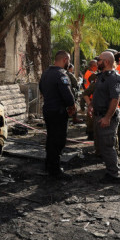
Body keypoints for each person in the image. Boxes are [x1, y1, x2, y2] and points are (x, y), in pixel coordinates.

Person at [39, 51, 77, 179]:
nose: (69, 63)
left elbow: (41, 89)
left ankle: (48, 165)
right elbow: (67, 95)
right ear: (65, 59)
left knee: (51, 138)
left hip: (48, 109)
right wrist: (72, 106)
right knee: (58, 140)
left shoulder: (46, 73)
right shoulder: (61, 75)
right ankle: (55, 170)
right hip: (58, 112)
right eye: (69, 60)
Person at [88, 51, 120, 183]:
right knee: (104, 146)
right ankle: (113, 169)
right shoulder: (102, 75)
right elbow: (98, 93)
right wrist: (91, 104)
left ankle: (114, 175)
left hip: (106, 117)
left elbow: (115, 99)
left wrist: (107, 117)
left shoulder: (114, 77)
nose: (97, 62)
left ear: (106, 62)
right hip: (99, 115)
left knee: (108, 147)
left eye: (99, 60)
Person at [82, 60, 98, 140]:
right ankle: (91, 133)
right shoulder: (92, 75)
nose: (98, 66)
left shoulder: (87, 72)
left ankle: (90, 131)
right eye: (96, 65)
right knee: (91, 116)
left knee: (89, 115)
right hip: (91, 97)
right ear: (93, 66)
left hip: (89, 95)